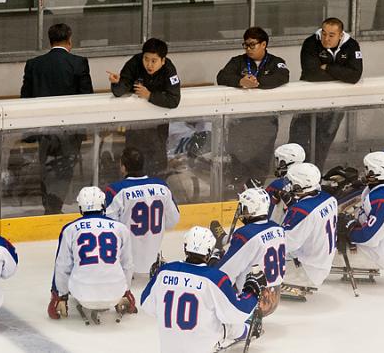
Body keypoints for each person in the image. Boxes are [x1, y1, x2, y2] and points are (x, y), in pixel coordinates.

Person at [141, 226, 265, 353]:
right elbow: (238, 313)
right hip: (204, 347)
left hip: (169, 348)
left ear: (185, 248)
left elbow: (146, 304)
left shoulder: (164, 271)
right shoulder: (215, 278)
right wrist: (252, 291)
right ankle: (249, 329)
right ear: (209, 252)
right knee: (228, 322)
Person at [20, 23, 93, 214]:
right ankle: (55, 207)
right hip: (71, 130)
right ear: (70, 40)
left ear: (50, 40)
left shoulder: (34, 65)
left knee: (46, 168)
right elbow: (87, 96)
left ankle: (49, 206)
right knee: (65, 169)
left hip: (43, 130)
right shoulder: (79, 63)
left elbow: (25, 98)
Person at [217, 27, 290, 190]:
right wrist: (240, 81)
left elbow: (282, 76)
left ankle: (256, 192)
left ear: (263, 44)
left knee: (261, 161)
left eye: (252, 45)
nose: (248, 49)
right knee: (238, 162)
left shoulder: (276, 61)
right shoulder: (237, 61)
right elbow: (221, 77)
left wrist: (256, 83)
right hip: (240, 122)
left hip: (265, 123)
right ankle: (236, 192)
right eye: (245, 45)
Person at [48, 186, 136, 320]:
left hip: (82, 294)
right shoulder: (121, 228)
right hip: (115, 293)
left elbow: (62, 266)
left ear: (80, 207)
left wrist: (60, 296)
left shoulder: (70, 229)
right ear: (103, 204)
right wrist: (126, 291)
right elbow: (127, 264)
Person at [288, 18, 362, 169]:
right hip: (307, 103)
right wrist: (341, 74)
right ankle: (293, 174)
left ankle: (315, 176)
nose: (326, 39)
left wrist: (327, 67)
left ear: (341, 35)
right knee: (299, 141)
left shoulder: (352, 45)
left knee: (322, 144)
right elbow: (312, 74)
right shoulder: (311, 43)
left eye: (331, 35)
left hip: (335, 105)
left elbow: (354, 76)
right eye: (324, 33)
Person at [108, 38, 180, 177]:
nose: (149, 64)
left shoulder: (169, 69)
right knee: (133, 162)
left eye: (154, 61)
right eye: (146, 59)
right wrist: (117, 83)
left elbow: (174, 99)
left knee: (157, 166)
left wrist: (149, 95)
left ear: (163, 60)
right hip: (136, 125)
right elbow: (121, 89)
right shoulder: (134, 63)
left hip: (158, 126)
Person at [104, 147, 180, 275]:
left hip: (123, 267)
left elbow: (107, 229)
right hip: (153, 265)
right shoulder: (162, 187)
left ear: (123, 167)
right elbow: (173, 221)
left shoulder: (116, 190)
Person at [213, 187, 285, 316]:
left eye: (243, 207)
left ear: (250, 209)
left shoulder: (245, 235)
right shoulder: (277, 228)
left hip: (250, 301)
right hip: (274, 298)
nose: (241, 210)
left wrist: (213, 261)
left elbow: (225, 272)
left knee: (212, 270)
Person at [337, 152, 384, 273]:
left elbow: (369, 238)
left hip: (378, 254)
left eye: (366, 169)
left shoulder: (382, 199)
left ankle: (299, 275)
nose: (363, 171)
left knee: (322, 242)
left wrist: (349, 229)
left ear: (374, 174)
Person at [281, 163, 338, 288]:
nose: (287, 185)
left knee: (253, 262)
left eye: (291, 182)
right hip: (321, 264)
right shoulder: (329, 198)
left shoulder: (301, 211)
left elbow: (284, 245)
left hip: (306, 271)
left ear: (299, 186)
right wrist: (292, 205)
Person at [264, 143, 306, 223]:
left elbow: (264, 213)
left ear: (284, 162)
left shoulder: (277, 185)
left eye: (278, 160)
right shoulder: (308, 182)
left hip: (278, 229)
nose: (276, 163)